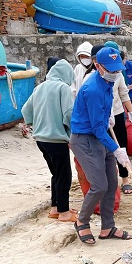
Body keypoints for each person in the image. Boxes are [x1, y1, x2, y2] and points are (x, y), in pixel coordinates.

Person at [70, 46, 132, 245]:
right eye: (111, 70)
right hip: (85, 139)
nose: (116, 74)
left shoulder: (107, 83)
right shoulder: (93, 89)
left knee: (112, 183)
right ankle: (82, 221)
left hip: (101, 134)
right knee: (99, 186)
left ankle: (108, 227)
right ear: (98, 66)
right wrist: (117, 149)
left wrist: (108, 119)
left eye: (118, 70)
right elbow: (96, 129)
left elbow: (101, 120)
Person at [22, 59, 76, 222]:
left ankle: (55, 208)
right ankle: (64, 212)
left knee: (56, 174)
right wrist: (73, 134)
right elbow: (69, 113)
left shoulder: (39, 88)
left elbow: (26, 110)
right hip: (56, 139)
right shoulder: (63, 88)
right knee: (64, 175)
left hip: (41, 139)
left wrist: (35, 124)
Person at [103, 41, 132, 195]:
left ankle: (125, 178)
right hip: (102, 115)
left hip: (117, 113)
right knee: (105, 149)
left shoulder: (119, 73)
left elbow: (123, 93)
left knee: (121, 146)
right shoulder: (94, 75)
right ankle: (108, 180)